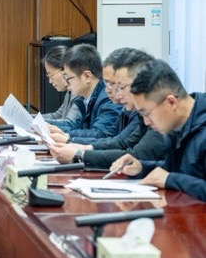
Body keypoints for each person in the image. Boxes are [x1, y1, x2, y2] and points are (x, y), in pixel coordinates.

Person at [49, 49, 167, 167]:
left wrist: (79, 153)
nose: (113, 92)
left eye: (119, 86)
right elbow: (120, 142)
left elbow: (135, 154)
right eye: (111, 84)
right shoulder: (136, 110)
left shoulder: (157, 113)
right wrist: (77, 146)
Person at [109, 60, 205, 201]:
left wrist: (171, 180)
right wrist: (142, 167)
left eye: (147, 113)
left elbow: (173, 177)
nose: (146, 122)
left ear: (171, 102)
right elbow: (181, 171)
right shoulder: (176, 125)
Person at [47, 43, 121, 142]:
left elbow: (101, 134)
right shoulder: (84, 98)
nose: (67, 83)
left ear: (87, 76)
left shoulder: (108, 98)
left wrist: (67, 136)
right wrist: (47, 126)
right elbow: (74, 125)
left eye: (68, 78)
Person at [41, 46, 84, 122]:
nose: (50, 81)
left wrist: (35, 121)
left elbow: (69, 123)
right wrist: (30, 118)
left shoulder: (79, 92)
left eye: (51, 75)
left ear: (64, 69)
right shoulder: (70, 91)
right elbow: (59, 115)